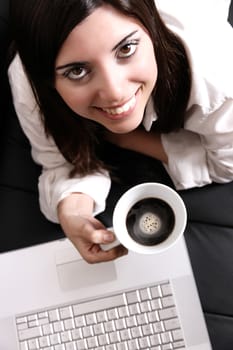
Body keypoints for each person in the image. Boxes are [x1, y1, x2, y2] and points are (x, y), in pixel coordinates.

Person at [8, 0, 233, 264]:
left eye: (126, 49)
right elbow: (57, 161)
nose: (115, 93)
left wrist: (125, 138)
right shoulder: (29, 81)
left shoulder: (216, 78)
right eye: (77, 71)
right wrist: (73, 209)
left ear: (149, 25)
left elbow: (226, 163)